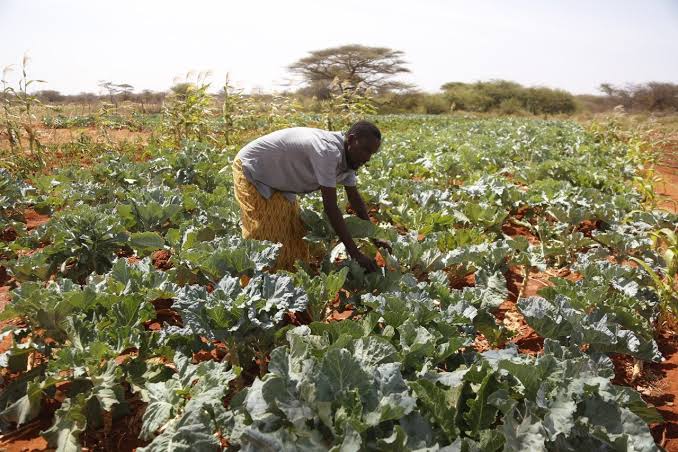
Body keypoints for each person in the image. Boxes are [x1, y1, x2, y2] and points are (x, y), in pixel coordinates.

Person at [231, 120, 385, 271]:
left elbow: (355, 199)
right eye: (365, 150)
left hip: (279, 179)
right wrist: (355, 254)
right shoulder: (328, 151)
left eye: (371, 153)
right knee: (265, 234)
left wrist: (375, 237)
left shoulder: (349, 159)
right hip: (253, 168)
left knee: (292, 232)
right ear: (351, 139)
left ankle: (288, 277)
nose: (367, 158)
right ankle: (258, 278)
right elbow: (331, 207)